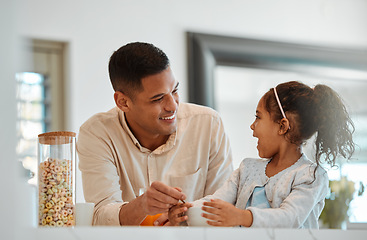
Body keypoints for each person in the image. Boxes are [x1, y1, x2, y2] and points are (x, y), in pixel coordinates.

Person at [76, 42, 233, 226]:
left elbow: (224, 207)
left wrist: (183, 218)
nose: (173, 106)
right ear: (123, 102)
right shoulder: (97, 134)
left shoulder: (208, 124)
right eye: (158, 99)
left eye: (174, 90)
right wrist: (141, 206)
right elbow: (99, 217)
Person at [168, 81, 355, 228]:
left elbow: (289, 218)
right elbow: (217, 201)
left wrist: (241, 216)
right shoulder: (246, 169)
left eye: (258, 117)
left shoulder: (311, 177)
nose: (252, 126)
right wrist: (187, 210)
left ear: (282, 126)